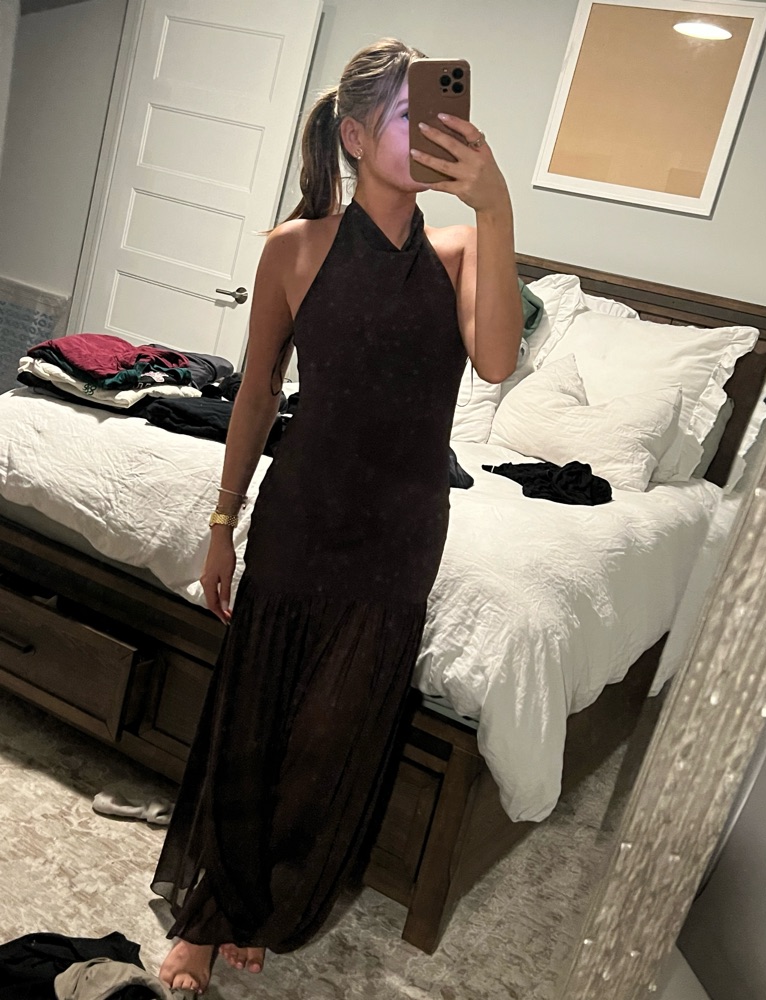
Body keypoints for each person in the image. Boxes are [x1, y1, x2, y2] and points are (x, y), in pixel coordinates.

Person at [154, 37, 522, 993]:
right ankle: (213, 912)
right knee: (256, 720)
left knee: (331, 732)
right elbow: (256, 391)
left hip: (400, 535)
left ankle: (266, 899)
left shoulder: (459, 251)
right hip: (301, 515)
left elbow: (496, 361)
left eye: (437, 111)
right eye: (407, 114)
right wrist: (222, 523)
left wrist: (494, 207)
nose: (429, 129)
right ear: (355, 137)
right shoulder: (294, 247)